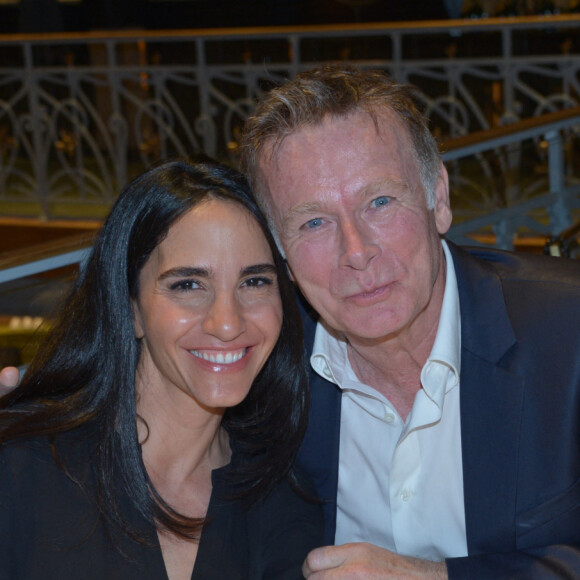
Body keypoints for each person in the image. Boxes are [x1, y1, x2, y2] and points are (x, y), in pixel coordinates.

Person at [238, 64, 580, 578]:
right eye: (313, 222)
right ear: (281, 252)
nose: (356, 252)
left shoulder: (568, 334)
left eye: (379, 201)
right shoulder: (259, 369)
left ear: (438, 200)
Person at [0, 157, 323, 579]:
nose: (227, 323)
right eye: (187, 285)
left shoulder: (286, 505)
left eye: (255, 281)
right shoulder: (24, 471)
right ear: (131, 307)